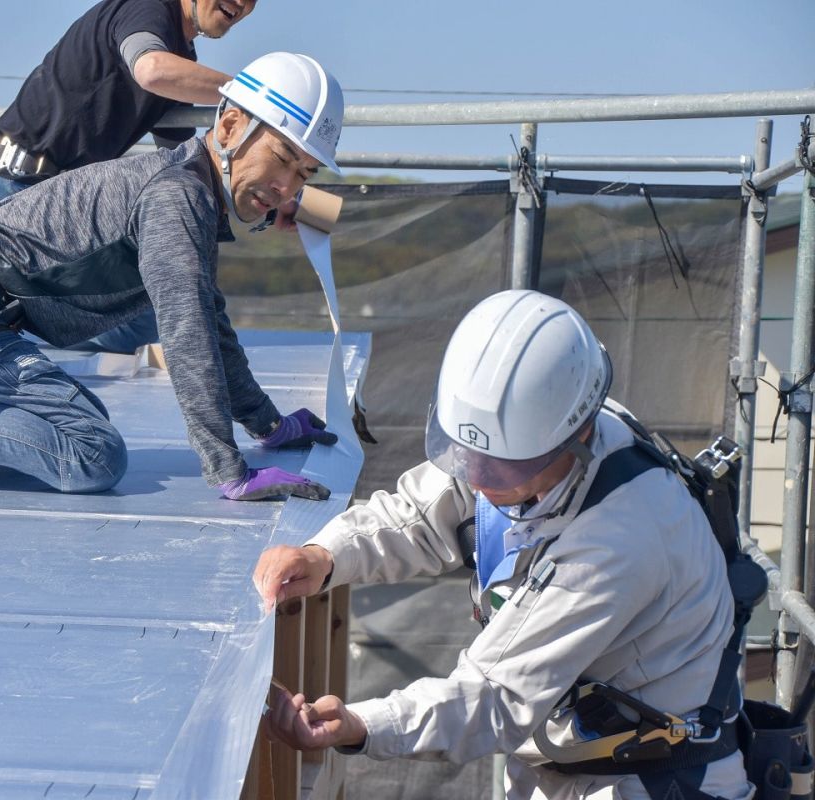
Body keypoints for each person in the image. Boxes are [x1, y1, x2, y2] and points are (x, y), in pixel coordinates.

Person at [253, 290, 753, 800]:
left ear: (575, 436)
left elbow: (494, 696)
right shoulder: (525, 443)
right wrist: (325, 555)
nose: (478, 479)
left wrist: (362, 725)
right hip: (577, 762)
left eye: (499, 466)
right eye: (466, 454)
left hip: (649, 783)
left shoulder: (620, 540)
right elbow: (421, 514)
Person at [0, 52, 346, 500]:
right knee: (92, 454)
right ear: (230, 126)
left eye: (303, 173)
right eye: (282, 157)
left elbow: (209, 321)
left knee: (78, 422)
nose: (286, 188)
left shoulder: (192, 192)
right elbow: (187, 335)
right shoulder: (177, 196)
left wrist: (269, 426)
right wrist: (228, 471)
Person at [0, 0, 260, 354]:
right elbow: (152, 69)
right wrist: (252, 96)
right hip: (3, 185)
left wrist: (281, 195)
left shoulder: (182, 65)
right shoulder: (149, 7)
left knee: (144, 325)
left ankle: (5, 325)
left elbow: (194, 165)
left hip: (50, 205)